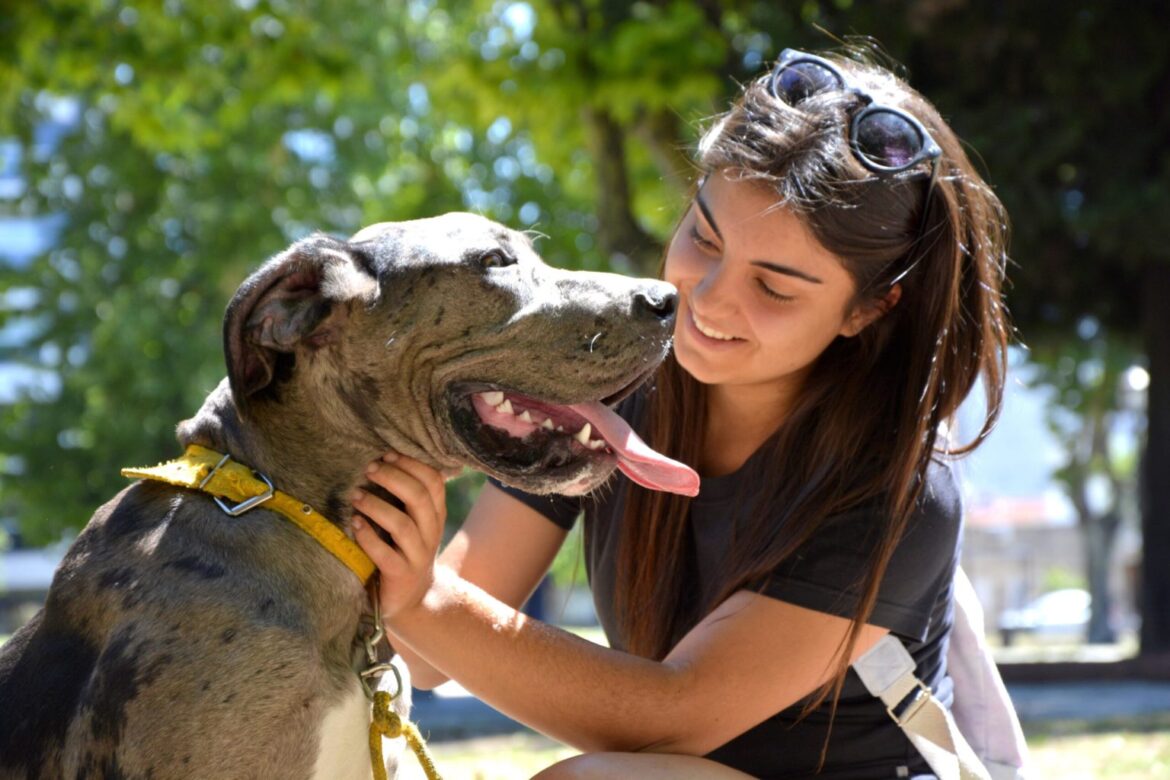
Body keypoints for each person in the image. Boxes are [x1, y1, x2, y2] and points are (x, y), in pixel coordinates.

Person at [350, 45, 1010, 779]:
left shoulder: (900, 487)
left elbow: (674, 718)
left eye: (776, 288)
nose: (710, 298)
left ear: (869, 308)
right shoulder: (610, 386)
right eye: (704, 236)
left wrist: (425, 600)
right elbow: (418, 649)